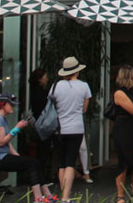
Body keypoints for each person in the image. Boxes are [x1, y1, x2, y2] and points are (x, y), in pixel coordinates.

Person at [0, 93, 55, 202]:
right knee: (31, 164)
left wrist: (16, 155)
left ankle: (48, 196)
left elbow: (6, 142)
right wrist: (17, 128)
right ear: (3, 104)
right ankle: (39, 198)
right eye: (11, 104)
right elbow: (1, 142)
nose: (13, 107)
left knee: (34, 163)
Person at [49, 56, 92, 201]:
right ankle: (66, 197)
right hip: (76, 127)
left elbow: (52, 105)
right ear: (77, 71)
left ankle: (63, 194)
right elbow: (84, 109)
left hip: (59, 128)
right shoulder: (84, 86)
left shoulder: (56, 86)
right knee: (70, 163)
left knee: (62, 163)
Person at [111, 66, 133, 203]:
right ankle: (120, 196)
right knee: (124, 162)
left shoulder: (131, 93)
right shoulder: (119, 93)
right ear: (128, 77)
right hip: (123, 130)